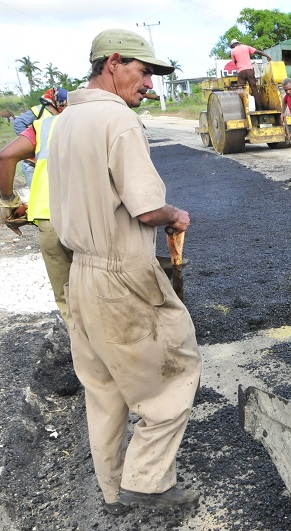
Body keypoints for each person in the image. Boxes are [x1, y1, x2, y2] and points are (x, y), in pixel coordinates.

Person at [47, 28, 202, 515]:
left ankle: (113, 490)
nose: (150, 83)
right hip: (121, 275)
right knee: (175, 373)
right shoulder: (119, 122)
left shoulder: (66, 118)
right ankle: (149, 483)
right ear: (113, 62)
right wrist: (175, 214)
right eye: (145, 71)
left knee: (105, 386)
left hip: (82, 273)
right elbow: (146, 207)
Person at [0, 104, 72, 322]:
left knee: (66, 297)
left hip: (48, 217)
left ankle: (83, 352)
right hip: (92, 218)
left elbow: (5, 156)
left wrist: (9, 202)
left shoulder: (44, 125)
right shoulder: (107, 120)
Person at [13, 87, 67, 188]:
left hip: (52, 163)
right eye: (63, 104)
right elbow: (18, 123)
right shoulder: (38, 110)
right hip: (33, 165)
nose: (65, 106)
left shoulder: (62, 113)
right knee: (36, 194)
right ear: (56, 101)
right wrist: (32, 143)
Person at [229, 38, 271, 111]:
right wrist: (267, 56)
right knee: (254, 89)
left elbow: (234, 62)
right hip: (249, 70)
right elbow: (258, 52)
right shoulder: (246, 47)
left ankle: (244, 109)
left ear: (233, 45)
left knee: (242, 90)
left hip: (241, 71)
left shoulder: (233, 51)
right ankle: (259, 108)